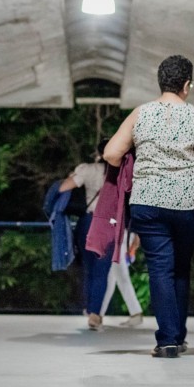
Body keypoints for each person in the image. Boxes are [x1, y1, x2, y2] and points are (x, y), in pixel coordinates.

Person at [104, 54, 194, 358]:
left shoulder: (140, 114)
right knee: (181, 269)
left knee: (160, 268)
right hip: (189, 204)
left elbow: (111, 153)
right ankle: (179, 335)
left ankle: (168, 341)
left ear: (161, 82)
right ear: (187, 85)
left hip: (148, 202)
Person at [58, 139, 112, 330]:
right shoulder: (123, 173)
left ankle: (89, 308)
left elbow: (63, 187)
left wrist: (71, 176)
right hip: (110, 224)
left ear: (98, 153)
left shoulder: (88, 169)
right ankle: (95, 314)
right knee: (102, 271)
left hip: (88, 222)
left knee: (88, 268)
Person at [99, 231, 143, 327]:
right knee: (112, 278)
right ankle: (98, 313)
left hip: (120, 237)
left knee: (120, 278)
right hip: (121, 236)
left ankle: (98, 314)